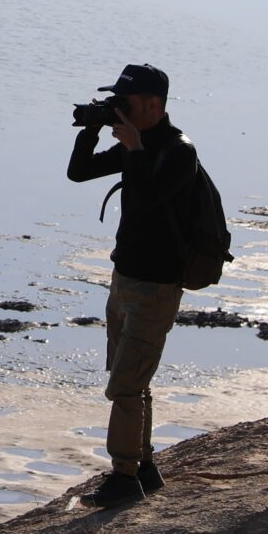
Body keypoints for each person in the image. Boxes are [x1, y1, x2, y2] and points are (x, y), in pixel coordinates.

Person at [66, 62, 197, 509]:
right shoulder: (133, 145)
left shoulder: (179, 152)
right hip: (125, 279)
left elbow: (148, 198)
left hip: (158, 286)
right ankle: (143, 467)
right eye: (116, 102)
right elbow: (79, 173)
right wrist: (93, 128)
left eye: (127, 102)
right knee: (131, 381)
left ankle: (123, 478)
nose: (120, 108)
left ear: (154, 104)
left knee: (124, 386)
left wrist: (136, 149)